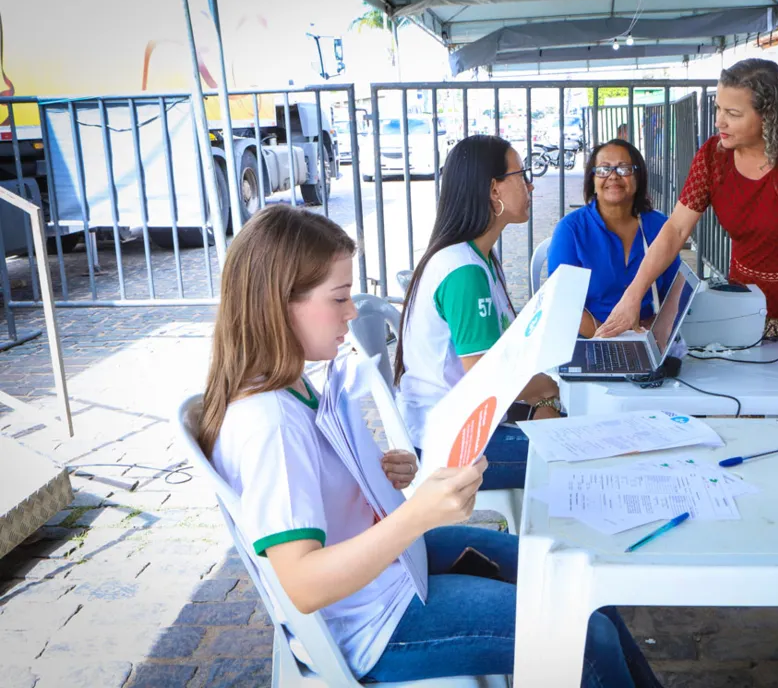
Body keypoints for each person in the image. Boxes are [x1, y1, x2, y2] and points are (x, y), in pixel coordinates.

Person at [198, 205, 661, 686]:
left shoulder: (289, 386)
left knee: (577, 582)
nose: (352, 311)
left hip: (394, 571)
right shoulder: (268, 421)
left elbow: (307, 487)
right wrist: (418, 513)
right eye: (338, 298)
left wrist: (367, 474)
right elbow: (304, 584)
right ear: (279, 303)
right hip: (379, 621)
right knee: (585, 638)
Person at [597, 58, 778, 361]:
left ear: (769, 115)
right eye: (718, 109)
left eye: (733, 113)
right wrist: (632, 297)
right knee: (743, 387)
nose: (720, 122)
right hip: (747, 294)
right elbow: (676, 229)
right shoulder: (713, 155)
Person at [394, 135, 560, 491]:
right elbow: (488, 380)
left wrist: (542, 400)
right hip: (449, 445)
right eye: (521, 174)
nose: (530, 184)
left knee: (567, 428)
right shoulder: (463, 270)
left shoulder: (477, 258)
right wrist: (548, 390)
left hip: (470, 424)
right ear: (494, 190)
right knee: (568, 455)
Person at [547, 139, 680, 337]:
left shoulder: (660, 226)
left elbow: (675, 292)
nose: (613, 176)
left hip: (646, 337)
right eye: (603, 169)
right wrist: (612, 341)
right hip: (589, 340)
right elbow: (563, 302)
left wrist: (654, 331)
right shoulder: (571, 230)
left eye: (624, 169)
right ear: (592, 179)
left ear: (638, 176)